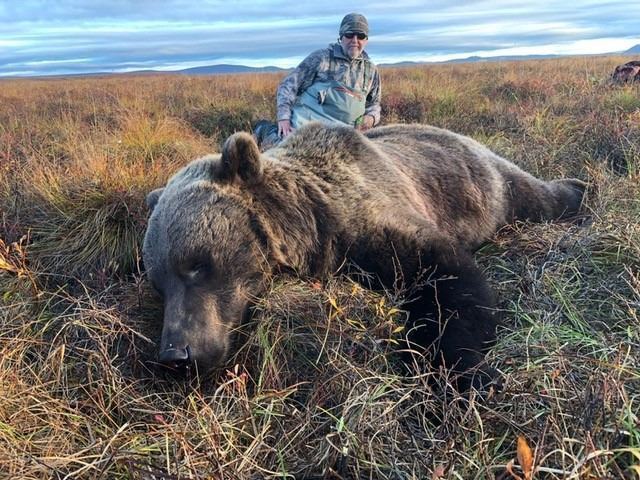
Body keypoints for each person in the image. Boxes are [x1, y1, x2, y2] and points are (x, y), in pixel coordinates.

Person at [254, 13, 381, 149]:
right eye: (349, 35)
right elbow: (288, 86)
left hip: (345, 136)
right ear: (341, 37)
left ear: (366, 40)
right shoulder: (321, 59)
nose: (355, 40)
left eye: (360, 36)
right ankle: (264, 130)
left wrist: (371, 118)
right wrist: (283, 118)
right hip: (306, 128)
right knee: (285, 151)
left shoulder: (371, 71)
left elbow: (374, 104)